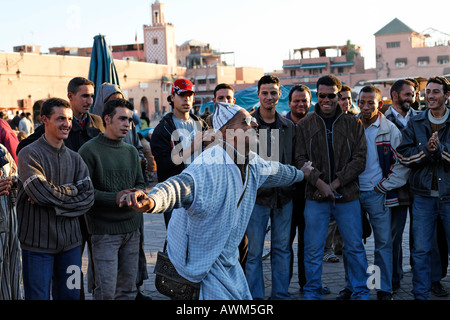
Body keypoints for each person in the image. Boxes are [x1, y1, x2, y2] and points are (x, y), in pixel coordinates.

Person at [119, 102, 313, 299]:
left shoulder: (252, 162)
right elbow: (179, 185)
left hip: (226, 260)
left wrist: (300, 174)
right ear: (227, 132)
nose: (255, 124)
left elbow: (277, 171)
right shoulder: (211, 163)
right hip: (200, 259)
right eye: (246, 121)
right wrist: (152, 200)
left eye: (253, 120)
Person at [16, 77, 104, 300]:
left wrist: (58, 197)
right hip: (38, 247)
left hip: (71, 247)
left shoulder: (76, 159)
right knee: (38, 297)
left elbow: (88, 197)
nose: (66, 124)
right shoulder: (29, 154)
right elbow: (40, 193)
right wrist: (73, 191)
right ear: (44, 120)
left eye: (68, 119)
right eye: (60, 119)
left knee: (72, 295)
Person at [295, 74, 369, 300]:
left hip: (347, 196)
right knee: (313, 249)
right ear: (317, 95)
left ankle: (360, 290)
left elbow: (360, 158)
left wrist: (334, 184)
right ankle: (312, 291)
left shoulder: (352, 122)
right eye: (322, 95)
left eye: (331, 95)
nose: (326, 99)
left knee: (355, 248)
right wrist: (319, 183)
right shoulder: (305, 124)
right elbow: (299, 159)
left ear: (339, 96)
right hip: (314, 196)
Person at [339, 85, 408, 300]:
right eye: (362, 102)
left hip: (378, 194)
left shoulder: (389, 129)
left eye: (371, 102)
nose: (366, 106)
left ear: (380, 104)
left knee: (383, 244)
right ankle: (353, 285)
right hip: (353, 194)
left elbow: (402, 165)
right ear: (357, 102)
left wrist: (382, 186)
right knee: (351, 244)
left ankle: (382, 287)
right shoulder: (350, 126)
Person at [79, 99, 145, 300]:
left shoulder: (131, 151)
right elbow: (84, 192)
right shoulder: (89, 151)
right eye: (122, 119)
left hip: (132, 230)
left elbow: (141, 183)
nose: (127, 124)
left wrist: (138, 194)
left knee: (128, 291)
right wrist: (115, 198)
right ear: (107, 119)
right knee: (106, 291)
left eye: (130, 120)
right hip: (103, 232)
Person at [396, 76, 450, 300]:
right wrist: (427, 151)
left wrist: (440, 149)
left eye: (436, 92)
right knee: (420, 249)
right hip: (423, 197)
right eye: (428, 92)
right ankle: (420, 294)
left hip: (449, 196)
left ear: (447, 95)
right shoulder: (416, 121)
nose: (430, 96)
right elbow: (402, 155)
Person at [245, 75, 296, 300]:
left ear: (279, 94)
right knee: (254, 252)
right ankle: (255, 298)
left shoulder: (288, 126)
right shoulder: (246, 125)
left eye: (273, 92)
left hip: (284, 197)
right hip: (255, 199)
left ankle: (280, 295)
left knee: (282, 250)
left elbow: (294, 160)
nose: (269, 97)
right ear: (258, 94)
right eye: (264, 93)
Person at [150, 78, 208, 228]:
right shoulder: (162, 130)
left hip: (201, 191)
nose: (186, 99)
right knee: (176, 240)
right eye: (182, 95)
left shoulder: (202, 125)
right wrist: (191, 148)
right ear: (172, 97)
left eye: (190, 95)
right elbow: (164, 165)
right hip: (175, 194)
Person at [285, 84, 310, 291]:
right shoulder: (281, 126)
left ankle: (306, 283)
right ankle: (282, 286)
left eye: (304, 100)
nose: (300, 104)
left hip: (310, 194)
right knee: (284, 244)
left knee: (307, 243)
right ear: (289, 103)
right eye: (296, 101)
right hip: (285, 194)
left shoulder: (314, 125)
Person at [0, 144, 21, 300]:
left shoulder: (2, 149)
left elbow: (16, 174)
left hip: (9, 223)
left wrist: (13, 182)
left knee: (12, 270)